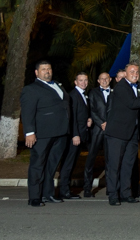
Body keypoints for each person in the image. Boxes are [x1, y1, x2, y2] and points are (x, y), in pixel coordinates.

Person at [105, 62, 140, 206]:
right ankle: (113, 195)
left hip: (132, 132)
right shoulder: (121, 87)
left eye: (137, 72)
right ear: (125, 74)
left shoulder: (139, 86)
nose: (135, 74)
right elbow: (132, 103)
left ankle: (126, 193)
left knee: (128, 165)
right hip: (117, 132)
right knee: (115, 165)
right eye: (132, 71)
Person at [20, 60, 70, 207]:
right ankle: (34, 197)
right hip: (42, 134)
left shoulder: (58, 85)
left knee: (51, 166)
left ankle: (48, 194)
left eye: (49, 68)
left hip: (60, 132)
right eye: (43, 69)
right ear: (37, 72)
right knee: (37, 165)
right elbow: (27, 112)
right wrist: (29, 132)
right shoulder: (31, 89)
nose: (47, 71)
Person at [58, 72, 92, 200]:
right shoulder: (73, 95)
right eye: (81, 80)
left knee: (72, 163)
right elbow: (71, 118)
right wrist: (75, 134)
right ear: (75, 82)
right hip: (75, 136)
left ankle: (66, 189)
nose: (83, 82)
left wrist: (89, 118)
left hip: (81, 134)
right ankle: (64, 191)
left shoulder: (83, 95)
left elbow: (81, 113)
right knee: (68, 163)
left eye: (85, 80)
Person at [84, 72, 111, 197]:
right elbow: (92, 109)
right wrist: (101, 123)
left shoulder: (115, 92)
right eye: (102, 79)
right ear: (98, 81)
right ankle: (87, 188)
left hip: (110, 129)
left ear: (110, 79)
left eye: (106, 78)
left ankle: (110, 188)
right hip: (96, 129)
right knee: (91, 159)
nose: (104, 80)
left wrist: (109, 123)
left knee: (110, 160)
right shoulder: (93, 92)